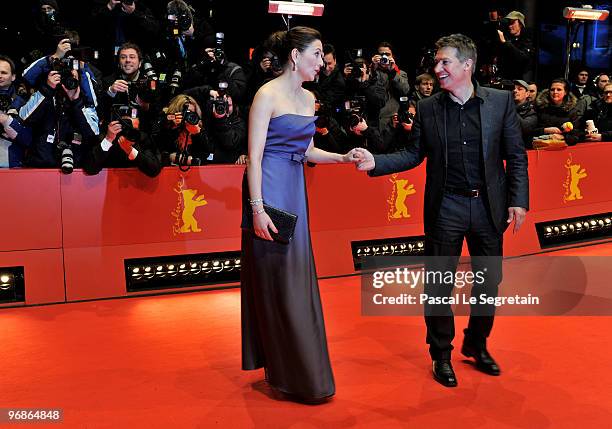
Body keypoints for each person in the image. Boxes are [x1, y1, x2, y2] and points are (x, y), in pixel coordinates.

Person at [354, 34, 529, 387]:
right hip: (445, 206)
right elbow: (412, 154)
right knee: (438, 285)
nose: (438, 69)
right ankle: (441, 355)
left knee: (488, 283)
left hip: (487, 206)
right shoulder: (429, 107)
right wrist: (377, 161)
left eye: (445, 62)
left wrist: (518, 199)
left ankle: (477, 344)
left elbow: (516, 156)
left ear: (467, 65)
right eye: (437, 62)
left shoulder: (500, 102)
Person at [241, 26, 359, 403]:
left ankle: (300, 373)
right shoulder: (266, 94)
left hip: (295, 189)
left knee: (297, 281)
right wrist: (256, 209)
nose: (322, 62)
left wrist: (341, 157)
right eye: (317, 54)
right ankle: (291, 374)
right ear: (295, 56)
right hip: (270, 188)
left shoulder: (309, 100)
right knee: (279, 281)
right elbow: (254, 158)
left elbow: (307, 150)